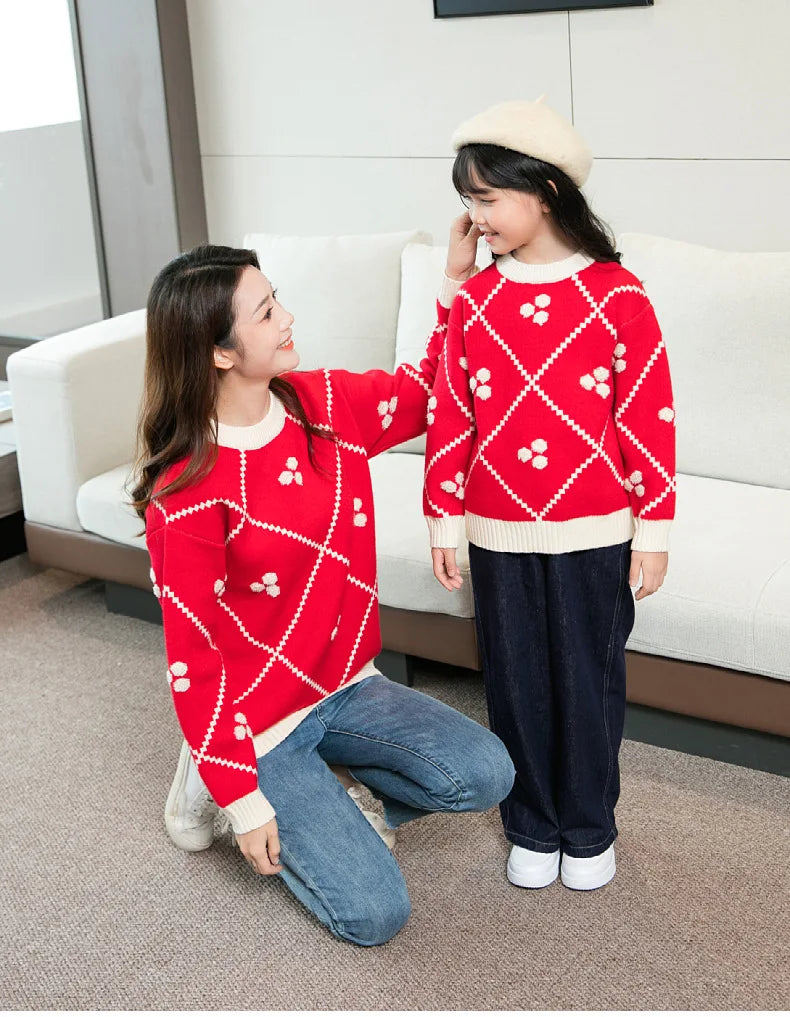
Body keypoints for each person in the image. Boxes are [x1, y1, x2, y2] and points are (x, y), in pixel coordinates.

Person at [131, 242, 515, 946]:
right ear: (218, 352)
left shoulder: (324, 403)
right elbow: (196, 656)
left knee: (487, 772)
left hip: (343, 686)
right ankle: (216, 772)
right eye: (267, 311)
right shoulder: (186, 492)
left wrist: (452, 282)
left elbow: (425, 394)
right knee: (375, 915)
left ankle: (321, 786)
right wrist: (246, 805)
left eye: (278, 299)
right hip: (257, 720)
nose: (288, 318)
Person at [424, 99, 676, 892]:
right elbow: (447, 406)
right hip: (497, 533)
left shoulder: (619, 294)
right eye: (468, 199)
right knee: (514, 682)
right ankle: (531, 823)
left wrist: (655, 528)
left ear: (548, 192)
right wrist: (443, 514)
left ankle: (588, 826)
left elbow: (650, 415)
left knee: (589, 682)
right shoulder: (473, 301)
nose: (476, 215)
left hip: (597, 532)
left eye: (488, 197)